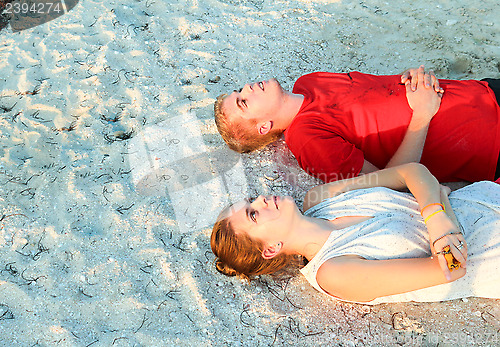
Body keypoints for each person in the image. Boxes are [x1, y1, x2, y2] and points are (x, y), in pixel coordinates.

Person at [210, 163, 500, 304]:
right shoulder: (333, 271)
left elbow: (411, 171)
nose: (260, 200)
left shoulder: (320, 196)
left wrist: (437, 217)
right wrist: (437, 197)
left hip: (489, 193)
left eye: (251, 200)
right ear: (271, 248)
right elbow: (451, 268)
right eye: (253, 214)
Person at [214, 66, 500, 183]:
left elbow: (376, 92)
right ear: (263, 127)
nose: (248, 88)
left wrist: (411, 77)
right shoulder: (305, 137)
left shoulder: (309, 81)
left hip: (482, 92)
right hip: (490, 142)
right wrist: (423, 114)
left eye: (240, 89)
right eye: (243, 101)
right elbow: (388, 184)